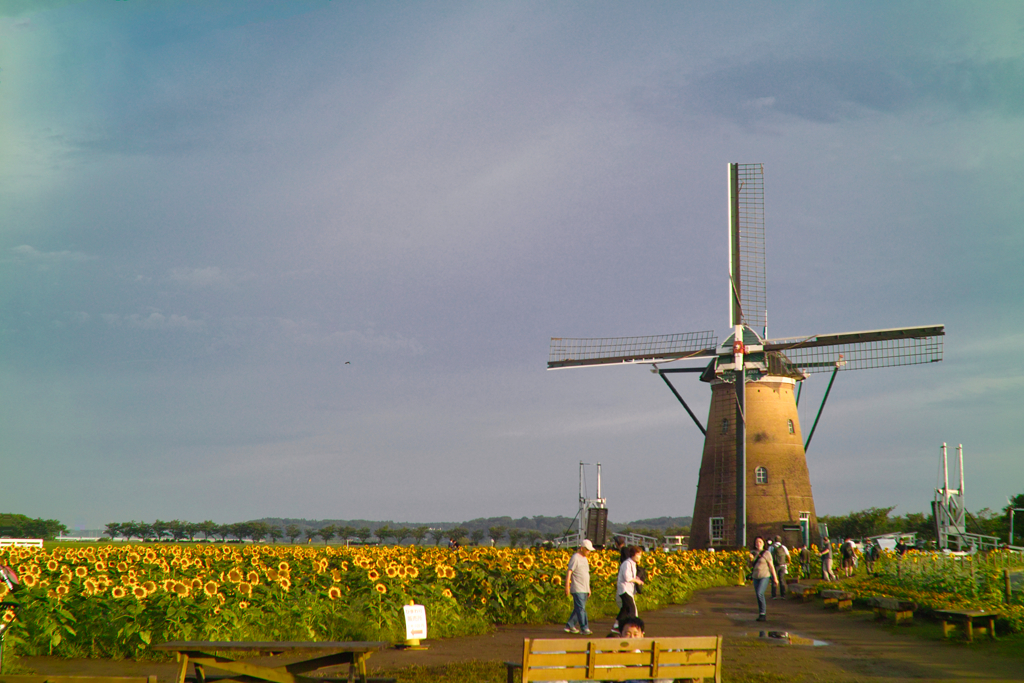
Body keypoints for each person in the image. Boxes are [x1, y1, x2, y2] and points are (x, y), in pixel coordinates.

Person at [611, 546, 644, 634]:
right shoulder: (627, 563)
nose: (640, 557)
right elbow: (627, 577)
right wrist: (637, 580)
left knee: (625, 609)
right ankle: (633, 628)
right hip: (624, 589)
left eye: (640, 555)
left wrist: (636, 578)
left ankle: (616, 626)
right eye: (638, 555)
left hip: (628, 590)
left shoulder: (632, 563)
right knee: (631, 609)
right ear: (633, 554)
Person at [564, 539, 593, 635]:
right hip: (577, 587)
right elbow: (569, 572)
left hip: (584, 588)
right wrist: (567, 586)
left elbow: (586, 574)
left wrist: (588, 588)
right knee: (581, 608)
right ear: (582, 548)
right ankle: (584, 628)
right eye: (587, 550)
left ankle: (570, 625)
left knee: (579, 608)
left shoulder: (585, 559)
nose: (588, 552)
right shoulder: (575, 557)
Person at [749, 536, 779, 622]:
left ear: (763, 544)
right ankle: (761, 613)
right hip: (755, 576)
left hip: (764, 576)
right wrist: (750, 560)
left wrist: (775, 578)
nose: (758, 544)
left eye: (760, 542)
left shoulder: (766, 553)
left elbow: (771, 566)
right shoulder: (753, 553)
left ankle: (763, 613)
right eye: (757, 542)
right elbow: (750, 566)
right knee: (758, 595)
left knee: (760, 593)